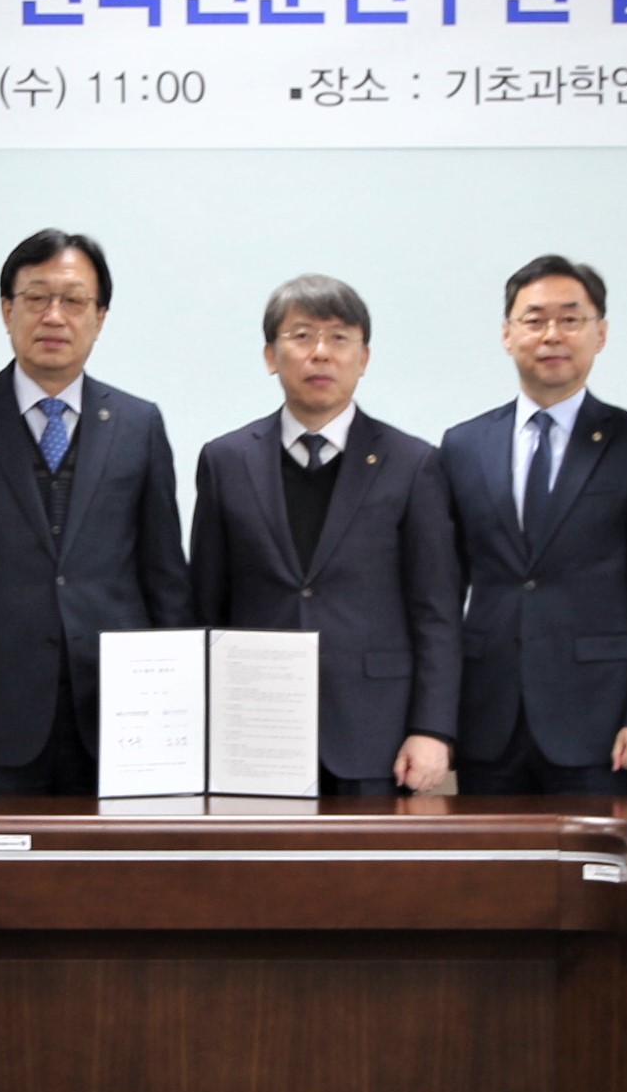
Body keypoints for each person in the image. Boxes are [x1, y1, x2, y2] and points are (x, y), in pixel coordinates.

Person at [0, 230, 193, 795]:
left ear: (101, 316)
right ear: (7, 310)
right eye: (37, 298)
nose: (54, 316)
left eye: (74, 300)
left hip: (120, 711)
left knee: (108, 877)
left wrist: (178, 711)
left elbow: (166, 579)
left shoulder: (140, 424)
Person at [191, 275, 461, 796]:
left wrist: (431, 729)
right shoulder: (225, 461)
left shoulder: (413, 464)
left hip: (374, 732)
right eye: (302, 336)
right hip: (255, 730)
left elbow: (436, 611)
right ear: (271, 355)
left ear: (364, 357)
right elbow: (206, 603)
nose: (321, 353)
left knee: (368, 879)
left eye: (339, 338)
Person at [440, 256, 627, 796]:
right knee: (490, 877)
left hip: (602, 722)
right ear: (507, 334)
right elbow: (441, 590)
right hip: (487, 717)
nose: (552, 335)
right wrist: (436, 718)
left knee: (594, 878)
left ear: (601, 333)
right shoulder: (463, 446)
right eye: (534, 319)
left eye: (571, 319)